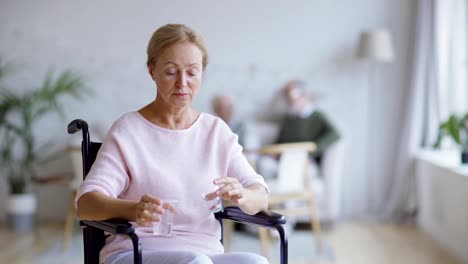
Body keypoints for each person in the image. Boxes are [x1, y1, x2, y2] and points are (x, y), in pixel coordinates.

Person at [75, 24, 269, 264]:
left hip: (205, 254)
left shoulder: (216, 132)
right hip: (135, 252)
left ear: (202, 73)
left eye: (192, 72)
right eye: (171, 72)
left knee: (256, 262)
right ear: (151, 70)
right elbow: (86, 204)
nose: (182, 83)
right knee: (196, 261)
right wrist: (133, 209)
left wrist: (243, 195)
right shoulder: (128, 131)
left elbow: (260, 195)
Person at [276, 80, 340, 167]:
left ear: (304, 95)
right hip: (286, 158)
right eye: (286, 96)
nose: (290, 101)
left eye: (293, 95)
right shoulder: (289, 118)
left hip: (306, 159)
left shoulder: (317, 116)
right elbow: (280, 141)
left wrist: (311, 153)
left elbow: (335, 134)